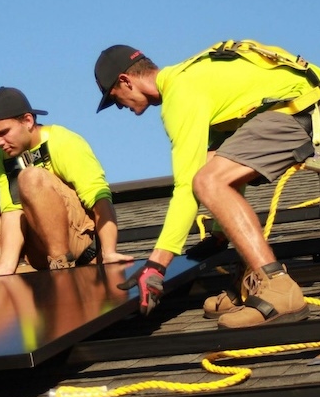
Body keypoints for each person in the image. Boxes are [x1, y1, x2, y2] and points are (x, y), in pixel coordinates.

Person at [93, 39, 319, 328]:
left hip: (301, 109)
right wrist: (219, 234)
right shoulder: (192, 77)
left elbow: (188, 185)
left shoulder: (180, 94)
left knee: (207, 182)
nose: (120, 108)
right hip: (300, 105)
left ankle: (278, 286)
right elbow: (222, 156)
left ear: (126, 81)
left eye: (115, 99)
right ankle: (250, 280)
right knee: (212, 167)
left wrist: (157, 264)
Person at [0, 86, 133, 277]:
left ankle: (61, 264)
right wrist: (6, 265)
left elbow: (99, 197)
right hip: (37, 248)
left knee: (30, 177)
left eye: (3, 133)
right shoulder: (0, 157)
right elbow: (11, 211)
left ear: (27, 121)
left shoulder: (61, 140)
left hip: (79, 244)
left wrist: (109, 252)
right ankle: (20, 276)